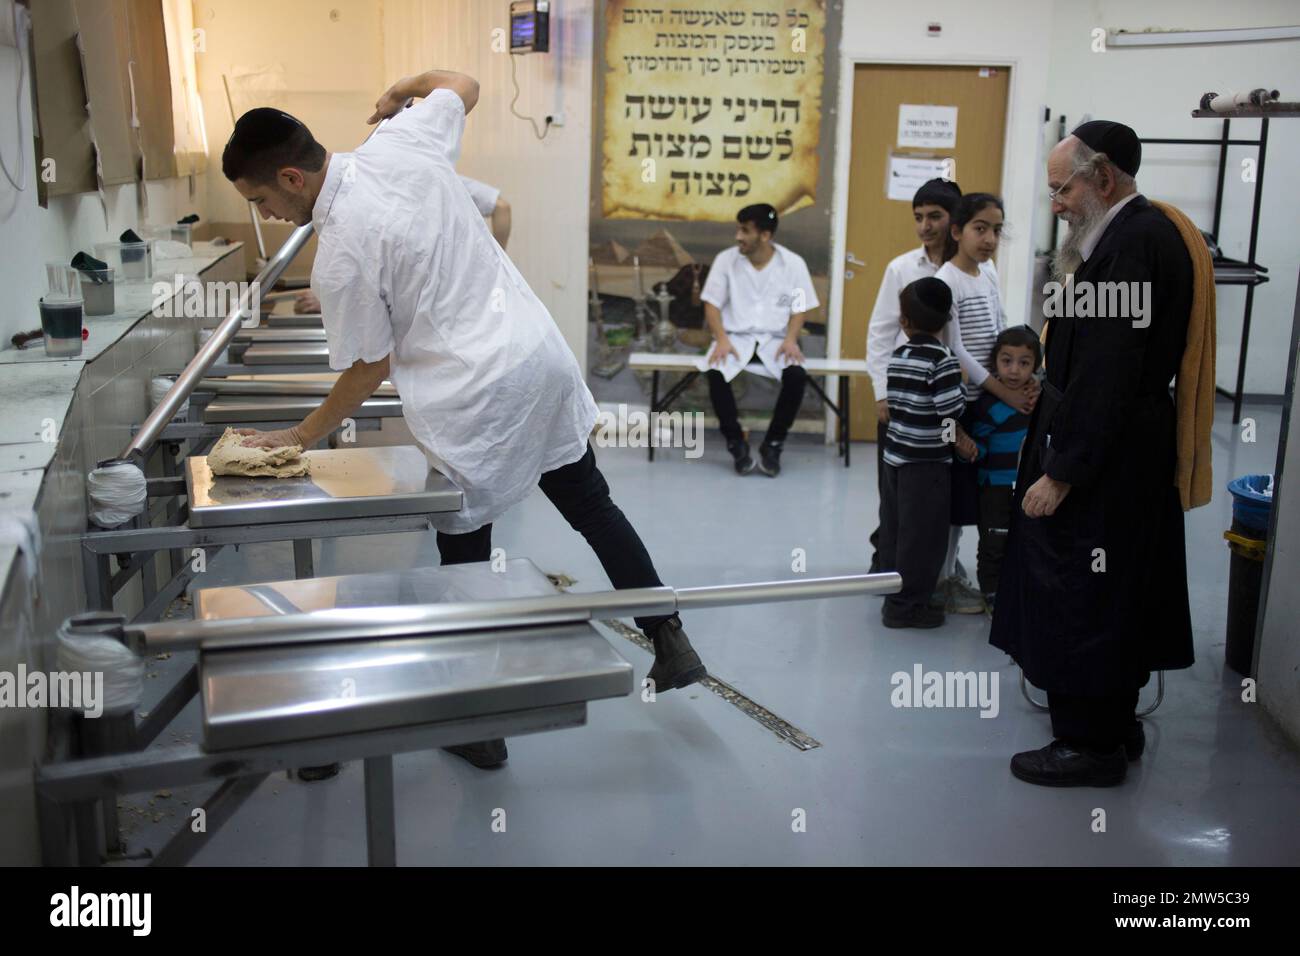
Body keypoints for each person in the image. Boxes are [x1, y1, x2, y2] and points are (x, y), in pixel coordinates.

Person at [221, 69, 707, 770]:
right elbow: (465, 82)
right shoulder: (401, 140)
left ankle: (478, 723)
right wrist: (398, 94)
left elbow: (367, 369)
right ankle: (669, 636)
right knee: (593, 506)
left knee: (464, 554)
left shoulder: (343, 254)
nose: (264, 213)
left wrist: (296, 436)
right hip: (537, 358)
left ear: (292, 178)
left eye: (261, 199)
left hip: (474, 397)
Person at [991, 120, 1195, 787]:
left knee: (1082, 591)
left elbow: (1107, 373)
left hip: (1103, 461)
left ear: (1102, 177)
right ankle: (1115, 725)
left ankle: (1088, 746)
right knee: (1112, 594)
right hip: (1113, 449)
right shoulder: (1116, 239)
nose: (1055, 205)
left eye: (1061, 190)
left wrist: (1061, 472)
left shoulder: (1132, 246)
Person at [934, 194, 1038, 615]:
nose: (990, 238)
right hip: (968, 403)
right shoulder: (947, 280)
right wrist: (1003, 389)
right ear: (957, 232)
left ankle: (975, 574)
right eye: (980, 228)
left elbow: (999, 329)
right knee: (956, 505)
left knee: (989, 497)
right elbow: (955, 349)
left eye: (997, 229)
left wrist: (1024, 379)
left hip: (996, 398)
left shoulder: (988, 272)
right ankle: (943, 579)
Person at [866, 178, 961, 572]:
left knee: (937, 494)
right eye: (918, 217)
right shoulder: (901, 267)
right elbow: (880, 332)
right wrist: (881, 393)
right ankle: (886, 562)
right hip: (904, 402)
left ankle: (935, 568)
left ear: (954, 219)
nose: (925, 225)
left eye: (934, 216)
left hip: (947, 402)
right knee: (893, 491)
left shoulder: (971, 267)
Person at [698, 203, 819, 478]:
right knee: (715, 372)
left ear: (765, 235)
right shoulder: (726, 260)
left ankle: (773, 444)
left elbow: (799, 308)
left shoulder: (793, 264)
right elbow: (712, 305)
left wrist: (791, 339)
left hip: (776, 339)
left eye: (745, 231)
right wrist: (721, 339)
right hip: (735, 338)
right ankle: (736, 444)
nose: (738, 237)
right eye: (738, 229)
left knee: (797, 375)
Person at [877, 278, 970, 629]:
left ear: (904, 322)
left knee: (897, 529)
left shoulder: (898, 356)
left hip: (895, 457)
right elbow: (950, 408)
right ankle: (908, 607)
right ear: (947, 320)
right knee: (924, 537)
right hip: (926, 463)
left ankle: (891, 592)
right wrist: (961, 392)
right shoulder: (943, 360)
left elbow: (898, 403)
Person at [292, 173, 510, 314]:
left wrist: (331, 300)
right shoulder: (435, 176)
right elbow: (501, 207)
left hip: (438, 303)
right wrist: (496, 262)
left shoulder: (390, 188)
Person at [967, 327, 1040, 609]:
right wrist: (968, 451)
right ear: (994, 362)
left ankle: (1018, 589)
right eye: (1006, 361)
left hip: (1027, 487)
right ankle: (991, 593)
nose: (1013, 370)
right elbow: (978, 447)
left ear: (1035, 366)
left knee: (1026, 539)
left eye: (1024, 363)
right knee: (994, 540)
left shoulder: (1038, 400)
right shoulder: (986, 405)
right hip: (994, 486)